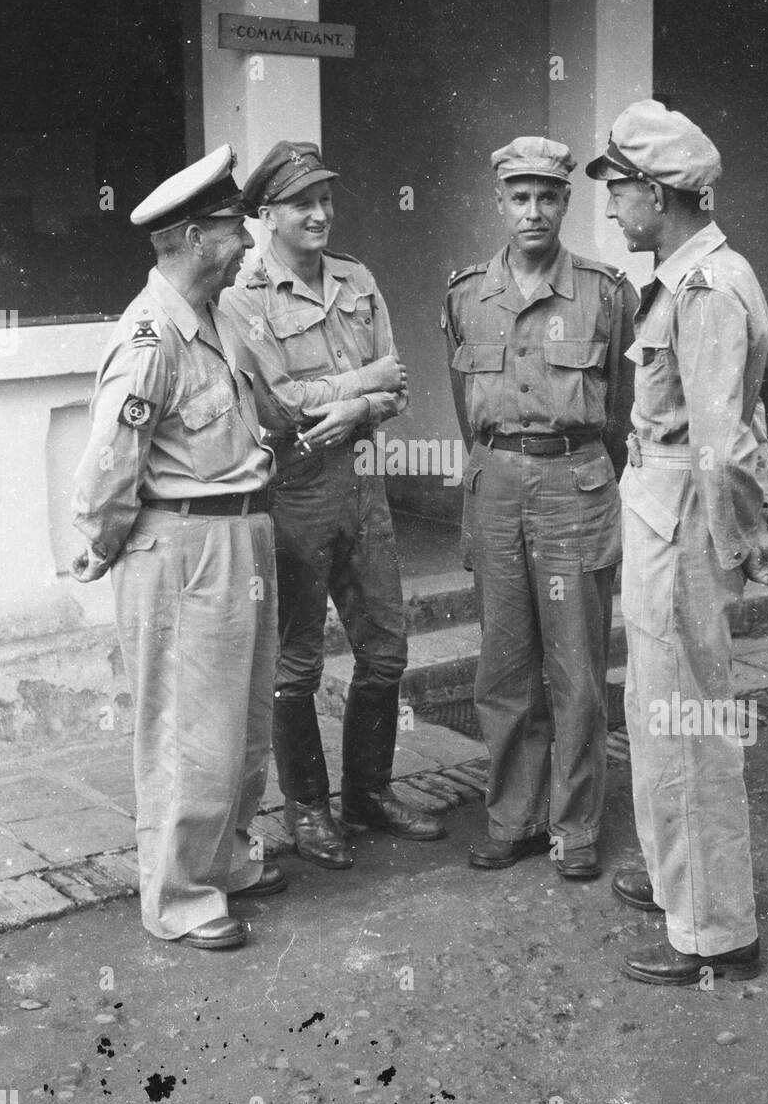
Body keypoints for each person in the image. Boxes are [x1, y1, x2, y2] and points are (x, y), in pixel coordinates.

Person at [586, 99, 768, 985]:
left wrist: (747, 540)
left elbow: (721, 443)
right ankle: (683, 881)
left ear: (657, 192)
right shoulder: (685, 278)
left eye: (617, 191)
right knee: (655, 713)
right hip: (661, 513)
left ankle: (714, 930)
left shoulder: (707, 290)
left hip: (682, 524)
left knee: (688, 726)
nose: (609, 209)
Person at [71, 145, 288, 952]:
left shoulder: (218, 318)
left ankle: (226, 860)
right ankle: (180, 895)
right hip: (182, 544)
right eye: (236, 230)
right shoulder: (149, 339)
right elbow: (105, 475)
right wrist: (103, 546)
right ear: (198, 239)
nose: (249, 246)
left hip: (241, 532)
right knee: (185, 729)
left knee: (241, 720)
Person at [220, 141, 445, 870]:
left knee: (385, 651)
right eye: (300, 204)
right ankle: (310, 813)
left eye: (324, 199)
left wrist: (360, 405)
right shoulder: (242, 297)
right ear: (266, 216)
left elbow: (399, 384)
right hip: (296, 493)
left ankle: (371, 795)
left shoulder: (357, 279)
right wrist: (366, 385)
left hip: (364, 486)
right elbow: (281, 404)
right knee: (298, 664)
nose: (319, 214)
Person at [442, 136, 637, 877]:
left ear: (565, 203)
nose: (533, 211)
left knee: (577, 666)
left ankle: (576, 823)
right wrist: (500, 464)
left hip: (574, 484)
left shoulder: (605, 292)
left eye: (548, 196)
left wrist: (579, 470)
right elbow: (469, 412)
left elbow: (618, 412)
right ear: (499, 203)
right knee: (504, 663)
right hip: (496, 486)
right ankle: (512, 816)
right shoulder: (466, 295)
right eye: (519, 197)